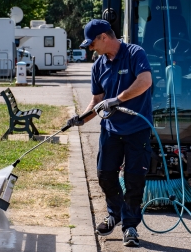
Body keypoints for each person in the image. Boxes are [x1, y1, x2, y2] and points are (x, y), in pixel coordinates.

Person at [66, 19, 153, 247]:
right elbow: (97, 100)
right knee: (105, 175)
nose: (90, 48)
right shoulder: (99, 65)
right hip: (111, 130)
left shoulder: (134, 53)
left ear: (104, 37)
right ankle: (114, 213)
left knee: (134, 180)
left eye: (92, 43)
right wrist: (82, 118)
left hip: (137, 130)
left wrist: (117, 99)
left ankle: (130, 226)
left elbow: (145, 81)